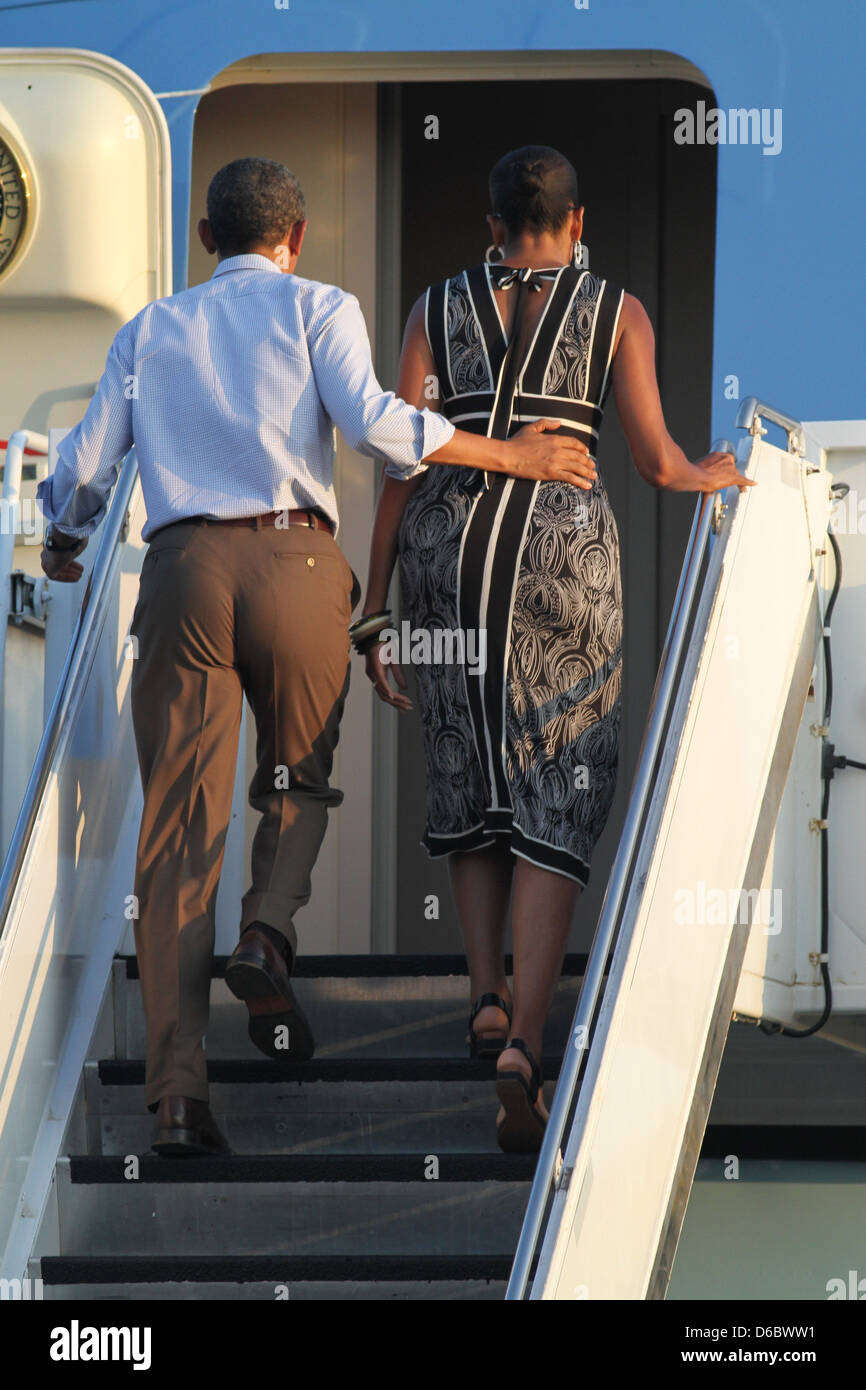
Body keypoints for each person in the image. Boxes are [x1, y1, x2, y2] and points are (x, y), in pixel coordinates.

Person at [36, 156, 593, 1156]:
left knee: (174, 834)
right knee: (295, 779)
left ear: (207, 240)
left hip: (183, 571)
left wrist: (67, 536)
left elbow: (80, 466)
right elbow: (381, 429)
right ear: (292, 240)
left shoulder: (152, 328)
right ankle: (267, 928)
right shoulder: (319, 306)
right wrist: (513, 452)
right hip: (296, 563)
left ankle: (174, 1095)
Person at [361, 145, 753, 1152]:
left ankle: (484, 993)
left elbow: (399, 456)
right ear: (575, 224)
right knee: (557, 782)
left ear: (491, 227)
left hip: (442, 555)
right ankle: (524, 1044)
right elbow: (655, 461)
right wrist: (713, 471)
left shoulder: (430, 309)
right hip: (555, 559)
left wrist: (374, 610)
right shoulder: (614, 310)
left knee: (467, 770)